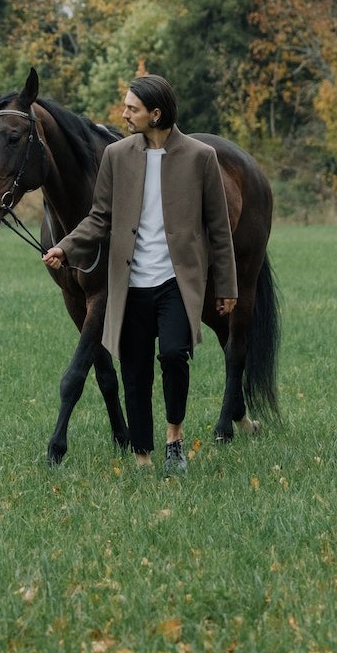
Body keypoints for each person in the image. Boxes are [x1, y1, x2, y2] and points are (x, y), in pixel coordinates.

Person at [42, 75, 237, 473]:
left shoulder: (201, 157)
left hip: (176, 284)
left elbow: (218, 230)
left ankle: (174, 439)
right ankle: (143, 455)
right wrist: (66, 247)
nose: (124, 114)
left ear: (156, 113)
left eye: (132, 108)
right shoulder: (117, 155)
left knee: (173, 356)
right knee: (134, 369)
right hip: (130, 285)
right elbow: (99, 218)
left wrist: (228, 286)